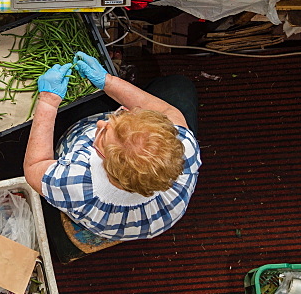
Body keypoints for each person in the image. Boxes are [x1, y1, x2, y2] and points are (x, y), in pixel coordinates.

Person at [23, 52, 201, 257]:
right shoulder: (182, 147)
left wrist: (48, 103)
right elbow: (167, 110)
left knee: (81, 108)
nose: (101, 123)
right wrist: (109, 82)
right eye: (120, 115)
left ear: (105, 164)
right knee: (180, 86)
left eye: (104, 134)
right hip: (149, 220)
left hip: (98, 214)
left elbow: (34, 166)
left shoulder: (76, 182)